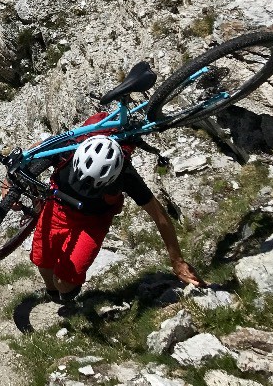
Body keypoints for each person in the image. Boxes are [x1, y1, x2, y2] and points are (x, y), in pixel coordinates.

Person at [17, 112, 205, 304]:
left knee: (64, 281)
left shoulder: (125, 174)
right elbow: (24, 159)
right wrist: (9, 189)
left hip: (93, 223)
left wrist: (177, 261)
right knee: (43, 262)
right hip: (57, 208)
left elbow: (160, 217)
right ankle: (54, 295)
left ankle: (66, 296)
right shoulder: (66, 147)